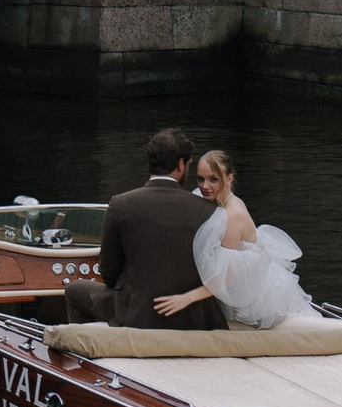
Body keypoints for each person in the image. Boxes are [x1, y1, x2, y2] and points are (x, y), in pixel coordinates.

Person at [62, 129, 227, 331]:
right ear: (181, 164)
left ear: (149, 162)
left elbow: (108, 272)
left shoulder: (121, 204)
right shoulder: (209, 211)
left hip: (137, 315)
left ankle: (89, 353)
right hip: (194, 318)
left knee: (73, 290)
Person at [151, 149, 314, 329]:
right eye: (200, 179)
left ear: (229, 178)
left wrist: (186, 298)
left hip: (246, 291)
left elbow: (226, 277)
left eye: (213, 179)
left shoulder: (233, 215)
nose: (205, 186)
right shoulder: (205, 198)